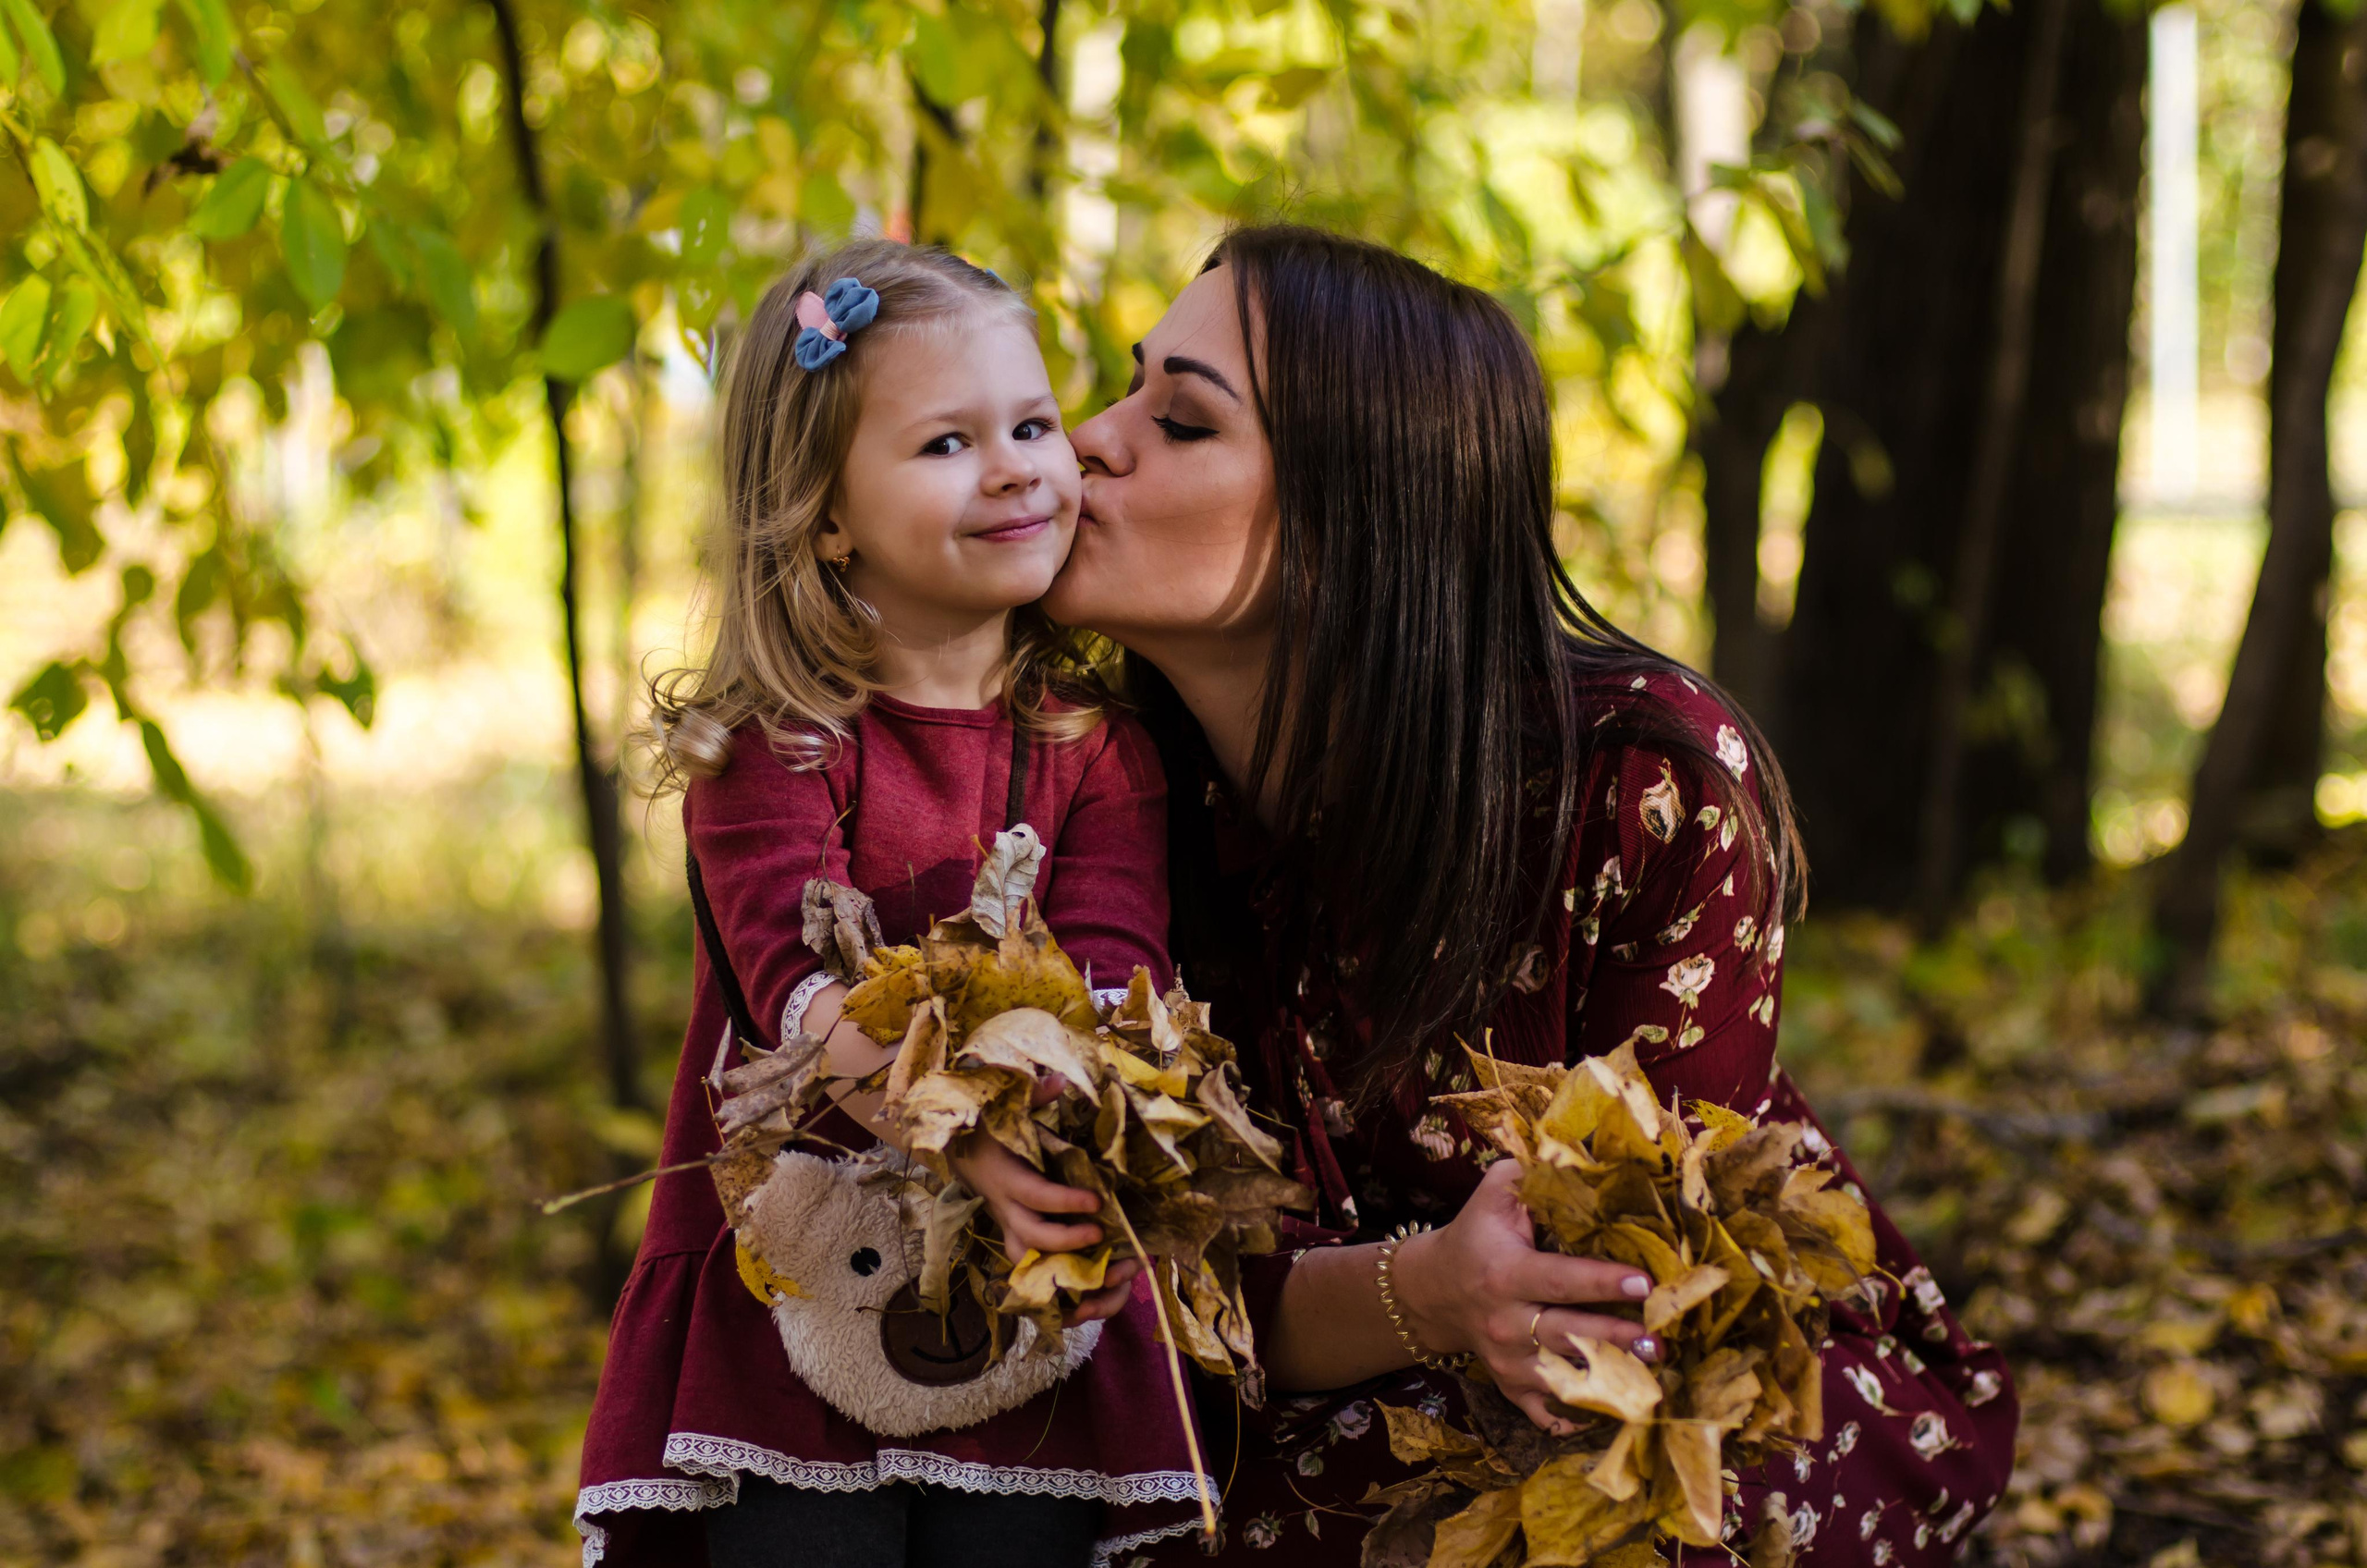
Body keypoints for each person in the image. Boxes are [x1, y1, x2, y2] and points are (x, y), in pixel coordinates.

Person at [1039, 224, 2019, 1565]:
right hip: (1254, 1399)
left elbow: (1637, 1308)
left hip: (1628, 1384)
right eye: (1126, 385)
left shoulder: (1642, 790)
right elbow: (1135, 1296)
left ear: (1354, 515)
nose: (1086, 438)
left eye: (1184, 421)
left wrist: (1440, 1304)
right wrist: (1424, 1291)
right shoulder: (1079, 790)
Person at [572, 239, 1206, 1568]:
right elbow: (797, 998)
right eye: (947, 443)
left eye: (1033, 423)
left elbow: (1113, 971)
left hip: (1024, 1278)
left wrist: (1052, 1125)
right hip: (787, 1287)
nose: (1019, 464)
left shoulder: (1096, 746)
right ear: (827, 513)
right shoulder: (776, 744)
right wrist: (955, 1135)